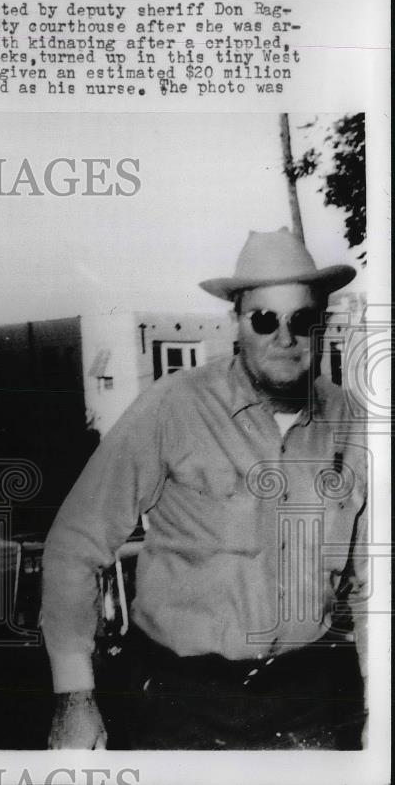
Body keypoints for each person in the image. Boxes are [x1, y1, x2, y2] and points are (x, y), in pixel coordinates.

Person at [41, 228, 368, 750]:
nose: (285, 337)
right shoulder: (173, 406)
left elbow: (375, 576)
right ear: (236, 322)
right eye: (265, 319)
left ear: (322, 325)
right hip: (182, 704)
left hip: (309, 704)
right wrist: (74, 696)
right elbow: (74, 544)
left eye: (302, 319)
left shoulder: (351, 421)